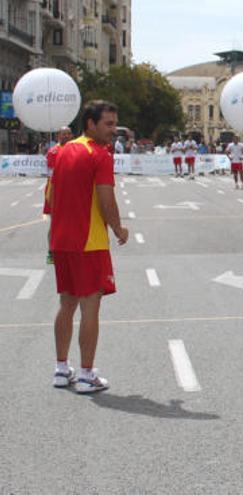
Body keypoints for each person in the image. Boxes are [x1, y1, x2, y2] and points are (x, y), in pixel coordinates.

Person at [49, 100, 128, 393]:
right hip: (89, 241)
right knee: (90, 307)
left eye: (114, 124)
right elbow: (106, 199)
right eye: (107, 124)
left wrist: (52, 236)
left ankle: (60, 369)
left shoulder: (63, 151)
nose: (113, 130)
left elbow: (52, 195)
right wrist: (119, 229)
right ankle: (85, 374)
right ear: (90, 123)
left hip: (61, 239)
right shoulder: (100, 155)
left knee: (66, 303)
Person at [43, 126, 74, 264]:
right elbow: (53, 175)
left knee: (73, 223)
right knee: (55, 224)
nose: (66, 136)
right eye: (63, 134)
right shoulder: (53, 152)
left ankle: (69, 251)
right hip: (55, 191)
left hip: (72, 192)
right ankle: (51, 252)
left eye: (68, 134)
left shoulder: (75, 150)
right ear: (58, 136)